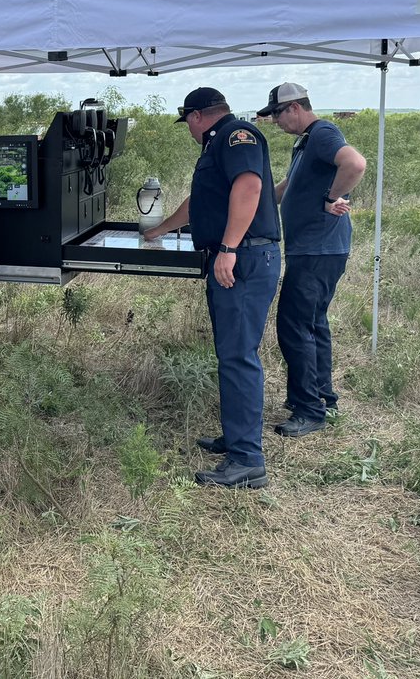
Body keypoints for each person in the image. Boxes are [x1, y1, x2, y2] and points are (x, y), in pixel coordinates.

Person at [143, 88, 281, 489]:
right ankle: (237, 437)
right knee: (230, 353)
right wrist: (159, 230)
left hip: (245, 259)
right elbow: (200, 202)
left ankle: (247, 461)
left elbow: (250, 187)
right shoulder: (217, 144)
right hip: (239, 256)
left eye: (187, 120)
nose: (188, 128)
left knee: (238, 357)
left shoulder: (238, 135)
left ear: (197, 116)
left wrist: (228, 247)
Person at [257, 82, 367, 437]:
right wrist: (254, 208)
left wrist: (331, 196)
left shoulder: (322, 133)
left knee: (294, 325)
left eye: (276, 113)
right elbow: (288, 186)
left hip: (318, 248)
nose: (274, 121)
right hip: (315, 248)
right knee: (314, 322)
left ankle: (308, 410)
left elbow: (355, 163)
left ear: (294, 107)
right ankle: (322, 396)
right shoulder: (304, 142)